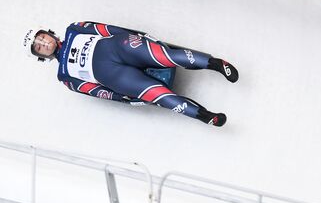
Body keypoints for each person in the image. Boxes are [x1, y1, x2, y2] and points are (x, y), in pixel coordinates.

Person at [22, 22, 239, 127]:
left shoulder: (74, 29)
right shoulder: (65, 77)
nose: (44, 43)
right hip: (116, 77)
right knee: (159, 97)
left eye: (42, 38)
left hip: (120, 47)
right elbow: (96, 91)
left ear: (48, 33)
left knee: (165, 56)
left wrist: (137, 36)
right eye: (39, 47)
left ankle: (216, 64)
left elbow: (105, 29)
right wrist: (123, 98)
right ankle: (205, 116)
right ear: (42, 56)